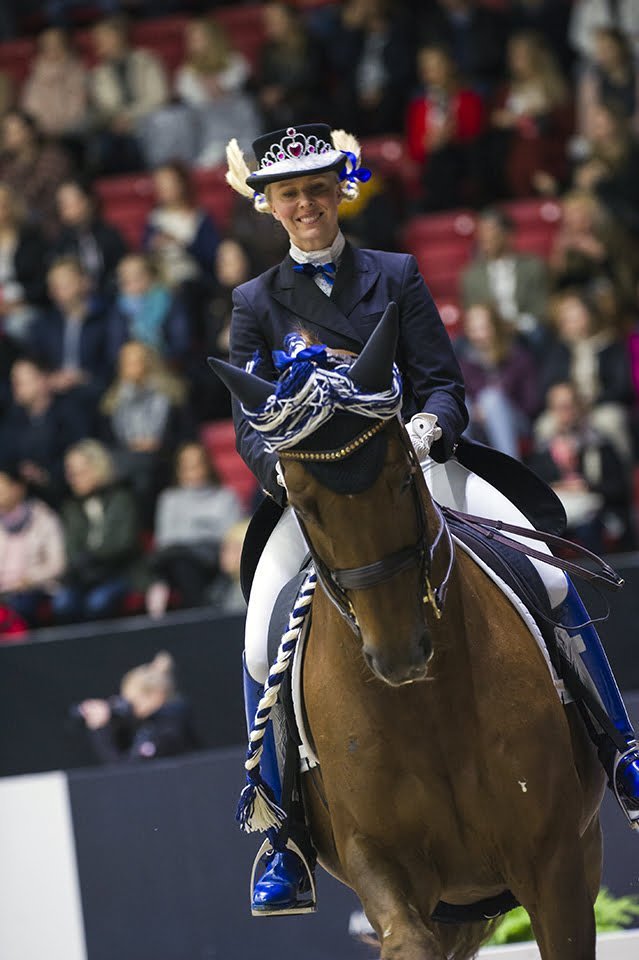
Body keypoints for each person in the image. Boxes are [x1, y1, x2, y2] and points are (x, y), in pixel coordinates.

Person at [216, 122, 639, 915]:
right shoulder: (253, 303)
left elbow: (442, 382)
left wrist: (426, 429)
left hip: (417, 469)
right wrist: (282, 473)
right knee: (259, 634)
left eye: (316, 189)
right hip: (317, 494)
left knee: (548, 577)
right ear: (269, 205)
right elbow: (248, 425)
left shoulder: (395, 273)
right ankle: (281, 833)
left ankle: (620, 751)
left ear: (337, 191)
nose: (305, 204)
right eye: (289, 194)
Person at [528, 382, 632, 553]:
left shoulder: (599, 444)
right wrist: (559, 487)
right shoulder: (544, 450)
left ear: (580, 407)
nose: (565, 413)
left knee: (588, 528)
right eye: (559, 407)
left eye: (569, 406)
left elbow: (619, 488)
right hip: (561, 513)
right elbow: (534, 489)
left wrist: (586, 486)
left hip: (597, 514)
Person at [145, 441, 244, 618]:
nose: (192, 471)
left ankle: (197, 617)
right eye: (186, 466)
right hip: (178, 560)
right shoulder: (169, 499)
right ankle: (201, 615)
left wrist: (194, 537)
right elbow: (165, 540)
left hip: (214, 557)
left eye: (197, 464)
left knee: (185, 564)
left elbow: (232, 536)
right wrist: (202, 531)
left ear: (207, 465)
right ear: (178, 470)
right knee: (182, 564)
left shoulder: (225, 496)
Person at [99, 340, 192, 520]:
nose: (130, 367)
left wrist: (159, 444)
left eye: (135, 361)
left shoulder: (172, 396)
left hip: (164, 459)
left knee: (146, 473)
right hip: (124, 462)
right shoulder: (110, 403)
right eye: (126, 362)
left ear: (149, 362)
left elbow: (186, 436)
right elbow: (106, 442)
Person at [52, 439, 140, 623]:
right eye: (70, 473)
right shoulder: (71, 507)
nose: (73, 478)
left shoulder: (121, 499)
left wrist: (92, 557)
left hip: (120, 573)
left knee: (98, 602)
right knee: (62, 603)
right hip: (84, 577)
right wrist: (83, 563)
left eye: (80, 472)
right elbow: (72, 548)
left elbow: (123, 544)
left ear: (98, 468)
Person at [76, 651, 197, 764]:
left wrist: (100, 730)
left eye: (134, 702)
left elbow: (129, 772)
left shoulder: (168, 727)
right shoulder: (151, 723)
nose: (130, 708)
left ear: (156, 696)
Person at [0, 356, 90, 506]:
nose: (15, 387)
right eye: (13, 382)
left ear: (42, 380)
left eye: (20, 382)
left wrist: (45, 476)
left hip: (63, 495)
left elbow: (81, 451)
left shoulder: (69, 413)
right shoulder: (13, 418)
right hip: (21, 498)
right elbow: (5, 457)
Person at [28, 256, 111, 419]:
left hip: (94, 390)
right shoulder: (44, 323)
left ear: (84, 282)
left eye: (64, 284)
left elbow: (112, 362)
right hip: (54, 393)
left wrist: (84, 378)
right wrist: (50, 378)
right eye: (53, 285)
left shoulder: (104, 318)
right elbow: (34, 360)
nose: (56, 290)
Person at [405, 43, 484, 211]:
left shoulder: (468, 99)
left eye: (437, 66)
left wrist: (450, 134)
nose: (432, 73)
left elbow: (474, 134)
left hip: (464, 162)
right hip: (432, 169)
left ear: (450, 66)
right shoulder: (419, 107)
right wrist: (428, 144)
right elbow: (414, 149)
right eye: (427, 68)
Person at [454, 302, 539, 458]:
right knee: (462, 403)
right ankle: (460, 462)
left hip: (517, 420)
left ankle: (511, 465)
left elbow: (531, 404)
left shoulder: (518, 358)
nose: (478, 335)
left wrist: (495, 406)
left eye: (483, 328)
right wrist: (480, 410)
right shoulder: (464, 361)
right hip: (475, 419)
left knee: (491, 399)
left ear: (495, 327)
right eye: (473, 329)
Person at [87, 14, 169, 175]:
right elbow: (105, 107)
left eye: (103, 37)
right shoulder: (98, 74)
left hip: (149, 120)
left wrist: (130, 117)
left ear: (118, 36)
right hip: (117, 128)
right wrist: (116, 120)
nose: (98, 42)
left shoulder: (147, 60)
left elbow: (159, 98)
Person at [460, 207, 549, 353]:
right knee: (459, 347)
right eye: (481, 232)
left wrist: (517, 325)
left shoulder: (532, 266)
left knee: (539, 335)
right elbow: (472, 312)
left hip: (525, 329)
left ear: (508, 235)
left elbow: (541, 308)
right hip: (488, 332)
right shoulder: (471, 275)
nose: (484, 237)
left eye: (490, 231)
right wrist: (494, 327)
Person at [0, 464, 65, 625]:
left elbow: (57, 564)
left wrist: (29, 579)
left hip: (35, 589)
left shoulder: (43, 517)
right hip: (3, 591)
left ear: (18, 488)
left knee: (20, 606)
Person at [106, 253, 190, 366]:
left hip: (166, 365)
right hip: (130, 367)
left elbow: (180, 343)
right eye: (124, 275)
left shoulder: (169, 301)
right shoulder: (118, 307)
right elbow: (114, 349)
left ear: (151, 275)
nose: (129, 280)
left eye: (136, 275)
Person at [0, 109, 71, 239]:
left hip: (47, 225)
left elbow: (40, 196)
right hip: (12, 227)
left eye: (13, 132)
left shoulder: (52, 158)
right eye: (6, 132)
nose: (7, 137)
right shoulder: (6, 163)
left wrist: (14, 205)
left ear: (30, 132)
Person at [53, 178, 128, 298]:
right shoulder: (60, 244)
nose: (67, 208)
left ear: (89, 201)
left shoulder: (110, 235)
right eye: (62, 203)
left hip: (112, 297)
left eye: (73, 201)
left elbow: (122, 269)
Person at [0, 181, 48, 344]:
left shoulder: (30, 240)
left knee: (18, 325)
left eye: (2, 205)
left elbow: (42, 281)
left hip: (25, 304)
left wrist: (19, 301)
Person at [20, 27, 88, 141]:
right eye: (48, 45)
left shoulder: (79, 72)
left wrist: (62, 129)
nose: (53, 49)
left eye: (57, 44)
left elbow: (79, 108)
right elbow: (31, 110)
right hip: (42, 134)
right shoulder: (34, 77)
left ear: (67, 46)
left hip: (72, 132)